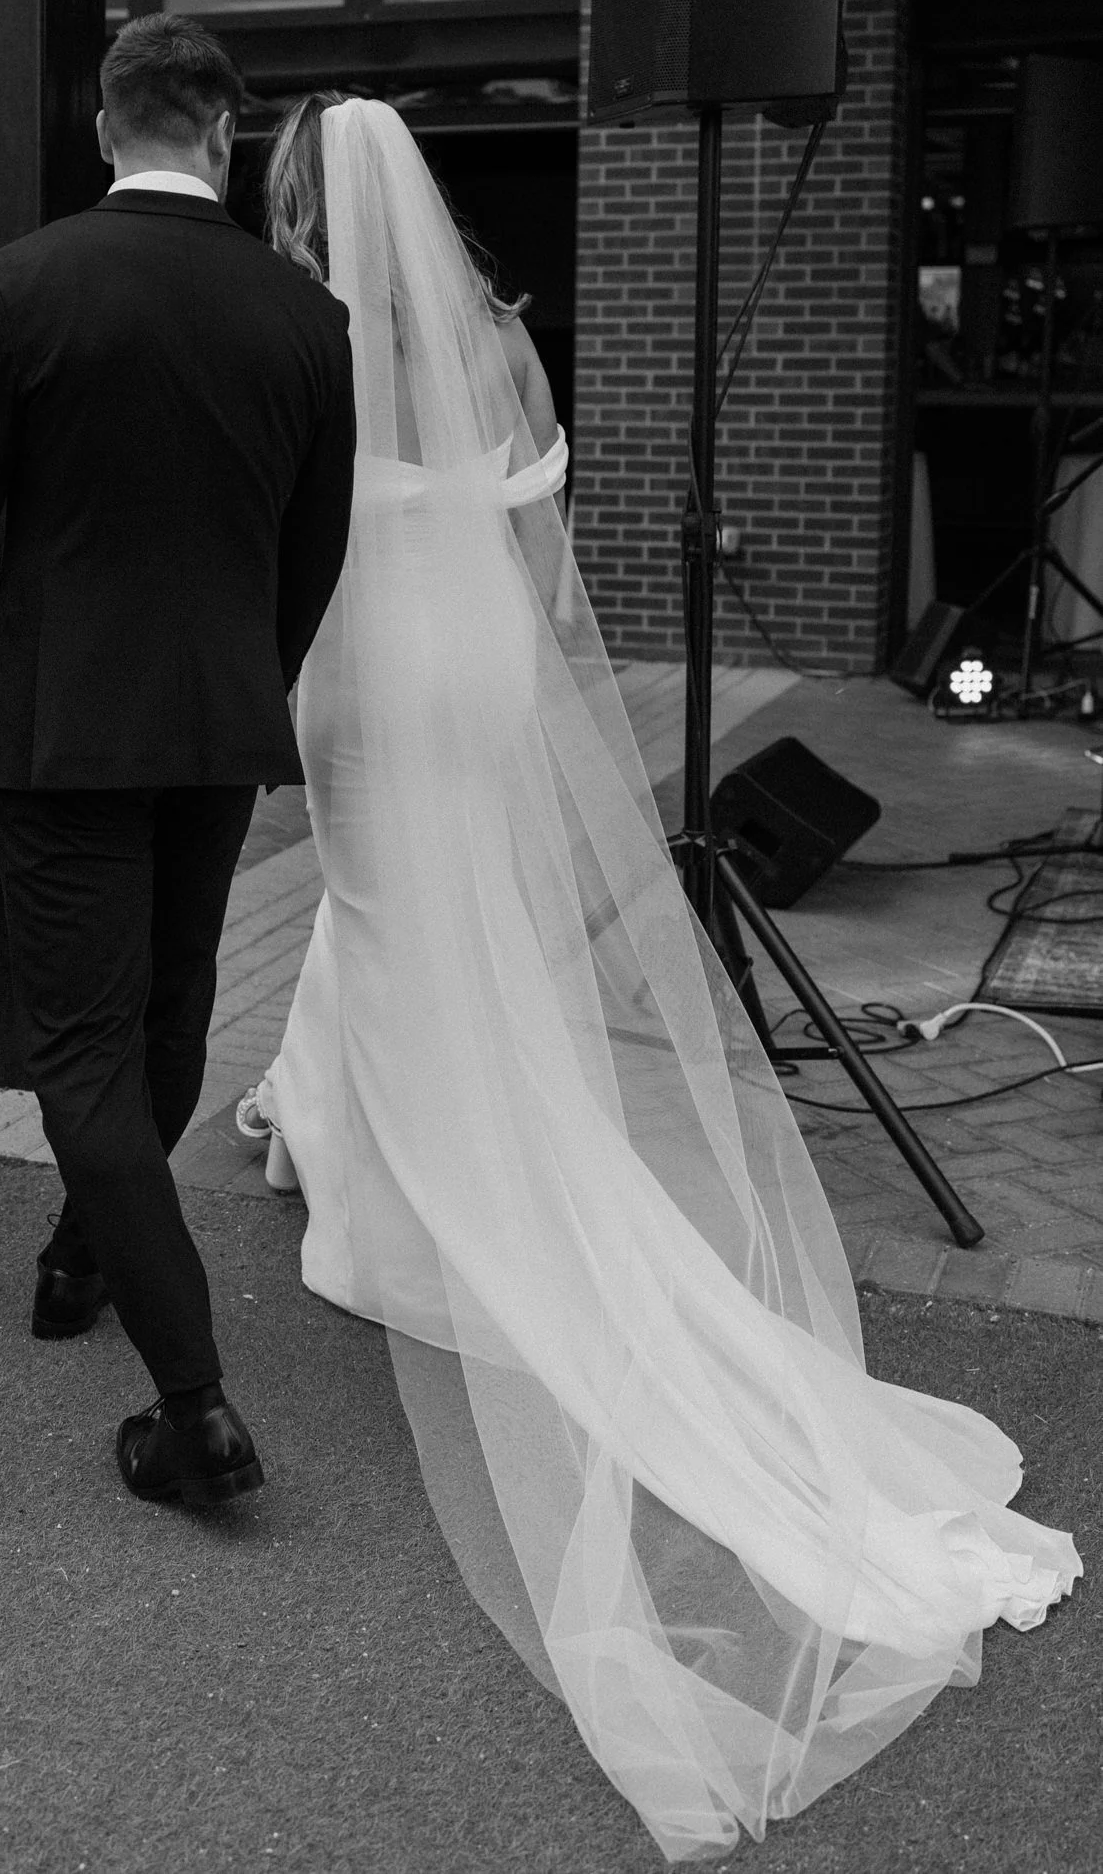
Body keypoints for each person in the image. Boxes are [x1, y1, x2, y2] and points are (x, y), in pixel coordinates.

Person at [235, 94, 1079, 1860]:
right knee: (416, 923)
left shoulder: (294, 331)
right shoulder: (495, 340)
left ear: (307, 201)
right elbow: (540, 538)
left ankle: (404, 1206)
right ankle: (327, 1127)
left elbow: (277, 525)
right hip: (468, 656)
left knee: (387, 912)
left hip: (361, 666)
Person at [0, 15, 355, 1507]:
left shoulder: (25, 284)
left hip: (69, 717)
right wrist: (245, 680)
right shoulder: (300, 313)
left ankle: (192, 1405)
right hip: (217, 713)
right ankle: (83, 1248)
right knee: (165, 1005)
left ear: (100, 128)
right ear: (222, 134)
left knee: (78, 1044)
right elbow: (311, 544)